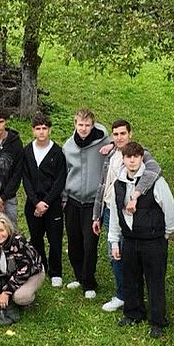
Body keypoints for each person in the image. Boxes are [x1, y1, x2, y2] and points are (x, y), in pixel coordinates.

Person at [107, 142, 174, 338]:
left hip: (153, 241)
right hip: (129, 239)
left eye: (136, 157)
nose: (132, 161)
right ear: (123, 159)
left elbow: (171, 211)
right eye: (128, 157)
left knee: (155, 281)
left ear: (141, 159)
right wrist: (114, 240)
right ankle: (133, 313)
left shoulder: (156, 182)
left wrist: (164, 234)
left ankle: (157, 321)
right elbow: (115, 214)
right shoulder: (118, 184)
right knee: (131, 277)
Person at [92, 119, 161, 313]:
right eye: (116, 134)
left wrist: (135, 195)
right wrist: (96, 214)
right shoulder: (112, 154)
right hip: (109, 209)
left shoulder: (141, 154)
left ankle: (126, 295)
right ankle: (124, 293)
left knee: (125, 255)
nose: (119, 137)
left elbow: (155, 171)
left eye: (123, 133)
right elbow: (103, 184)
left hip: (130, 212)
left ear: (130, 133)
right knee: (114, 252)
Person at [62, 108, 112, 299]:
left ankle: (89, 282)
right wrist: (64, 197)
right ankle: (79, 276)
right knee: (74, 241)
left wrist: (113, 144)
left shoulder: (105, 142)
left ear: (93, 125)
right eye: (80, 125)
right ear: (75, 124)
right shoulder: (68, 146)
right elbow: (64, 172)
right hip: (73, 200)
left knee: (90, 243)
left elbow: (125, 146)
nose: (83, 129)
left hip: (93, 202)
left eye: (87, 125)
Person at [20, 113, 66, 287]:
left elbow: (60, 180)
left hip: (52, 204)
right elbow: (26, 178)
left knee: (55, 239)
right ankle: (41, 267)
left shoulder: (57, 152)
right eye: (38, 129)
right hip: (33, 204)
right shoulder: (27, 151)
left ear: (49, 130)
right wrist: (35, 202)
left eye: (44, 128)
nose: (41, 132)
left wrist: (46, 202)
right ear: (33, 130)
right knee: (36, 237)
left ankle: (56, 272)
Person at [0, 212, 45, 324]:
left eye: (2, 230)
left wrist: (6, 292)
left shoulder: (18, 242)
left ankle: (25, 300)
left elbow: (24, 271)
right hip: (7, 273)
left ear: (8, 229)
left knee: (20, 297)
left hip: (32, 273)